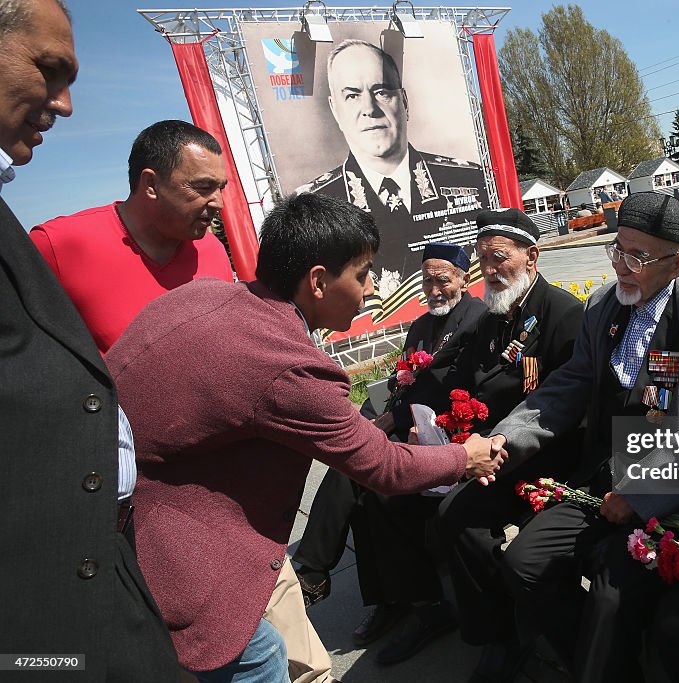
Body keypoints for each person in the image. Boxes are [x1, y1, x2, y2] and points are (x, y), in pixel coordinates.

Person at [105, 192, 506, 682]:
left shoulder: (199, 297)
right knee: (261, 659)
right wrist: (464, 457)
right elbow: (384, 465)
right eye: (362, 274)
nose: (371, 288)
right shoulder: (288, 365)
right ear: (318, 281)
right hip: (183, 567)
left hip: (119, 531)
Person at [490, 192, 679, 683]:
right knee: (524, 563)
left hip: (673, 496)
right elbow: (570, 384)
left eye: (638, 256)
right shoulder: (603, 306)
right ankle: (594, 663)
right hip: (602, 480)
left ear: (677, 264)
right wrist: (505, 438)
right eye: (617, 249)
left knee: (615, 590)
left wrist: (643, 492)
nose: (621, 266)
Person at [0, 0, 181, 680]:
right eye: (49, 69)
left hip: (116, 554)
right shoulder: (59, 239)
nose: (67, 103)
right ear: (150, 184)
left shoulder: (218, 256)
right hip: (36, 620)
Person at [291, 242, 487, 661]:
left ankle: (316, 573)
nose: (434, 289)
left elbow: (446, 385)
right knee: (358, 471)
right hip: (411, 427)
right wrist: (384, 417)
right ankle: (386, 597)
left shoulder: (476, 320)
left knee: (369, 475)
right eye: (427, 280)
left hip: (451, 435)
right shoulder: (419, 327)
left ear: (463, 279)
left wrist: (391, 421)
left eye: (443, 280)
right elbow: (403, 381)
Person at [436, 207, 586, 681]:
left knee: (466, 523)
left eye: (499, 258)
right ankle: (499, 636)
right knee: (451, 521)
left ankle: (539, 626)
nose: (490, 270)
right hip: (491, 454)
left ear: (532, 256)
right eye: (483, 260)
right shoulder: (491, 316)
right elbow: (462, 377)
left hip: (548, 458)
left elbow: (569, 408)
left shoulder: (564, 314)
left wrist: (494, 444)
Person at [298, 39, 488, 294]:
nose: (370, 109)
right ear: (335, 110)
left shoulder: (469, 179)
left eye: (382, 92)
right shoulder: (314, 207)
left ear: (405, 102)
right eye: (352, 95)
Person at [30, 119, 233, 354]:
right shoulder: (56, 245)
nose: (218, 203)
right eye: (203, 187)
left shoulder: (212, 250)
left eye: (221, 188)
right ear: (151, 184)